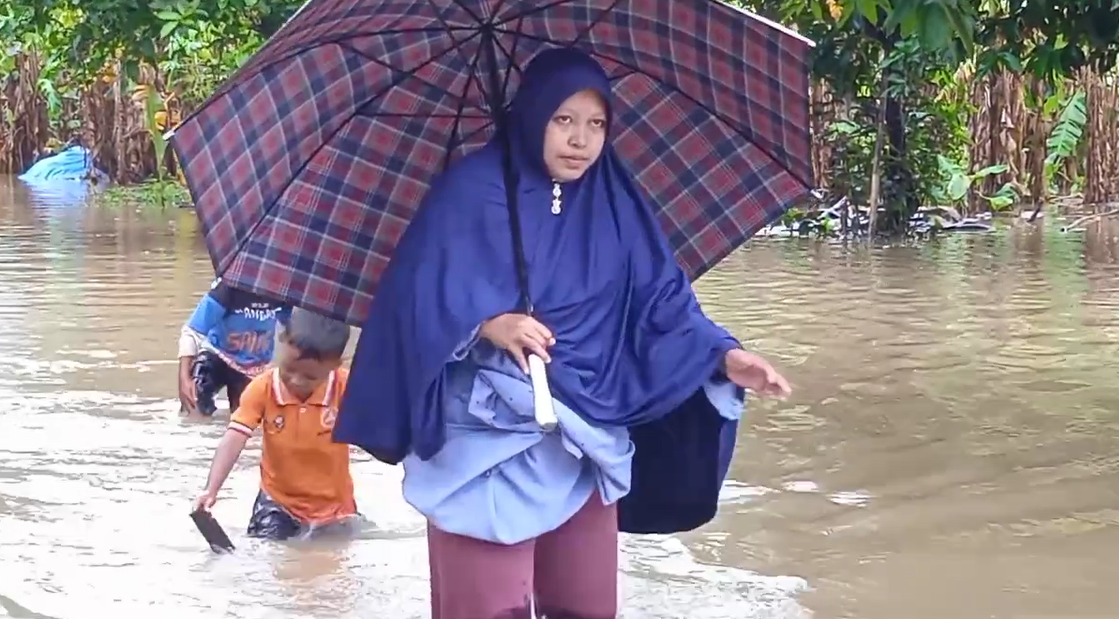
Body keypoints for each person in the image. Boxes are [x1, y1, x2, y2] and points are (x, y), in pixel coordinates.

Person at [335, 48, 792, 618]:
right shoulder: (470, 190)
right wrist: (488, 323)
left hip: (587, 435)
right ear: (531, 116)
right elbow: (413, 297)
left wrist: (722, 355)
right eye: (564, 120)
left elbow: (662, 299)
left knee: (587, 607)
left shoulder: (617, 201)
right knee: (488, 608)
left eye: (596, 123)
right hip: (488, 437)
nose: (581, 140)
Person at [192, 306, 358, 541]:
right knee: (266, 559)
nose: (297, 381)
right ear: (281, 340)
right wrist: (212, 489)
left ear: (335, 365)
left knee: (333, 567)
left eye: (310, 377)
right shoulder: (263, 388)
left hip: (335, 509)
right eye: (289, 369)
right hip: (277, 505)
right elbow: (234, 437)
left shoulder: (346, 388)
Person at [177, 278, 289, 416]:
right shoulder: (227, 288)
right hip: (217, 355)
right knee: (194, 401)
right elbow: (192, 331)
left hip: (254, 367)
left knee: (247, 418)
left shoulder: (283, 293)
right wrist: (184, 378)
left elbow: (293, 333)